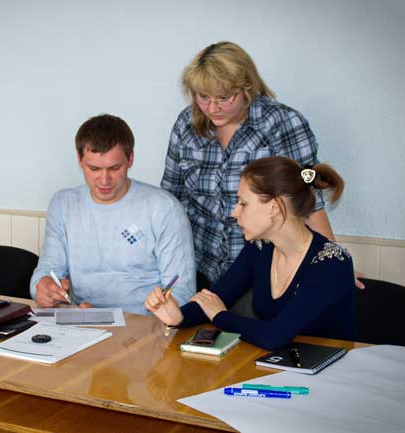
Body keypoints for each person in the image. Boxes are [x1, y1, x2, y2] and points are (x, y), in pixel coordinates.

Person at [161, 41, 363, 292]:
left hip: (263, 270)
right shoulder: (186, 124)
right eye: (203, 97)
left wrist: (332, 265)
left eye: (224, 98)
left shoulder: (281, 123)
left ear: (246, 88)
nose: (212, 108)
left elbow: (309, 202)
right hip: (200, 267)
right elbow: (172, 199)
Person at [146, 156, 355, 350]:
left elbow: (274, 336)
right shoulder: (260, 248)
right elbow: (214, 299)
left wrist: (220, 315)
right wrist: (178, 317)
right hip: (281, 364)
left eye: (243, 203)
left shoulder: (332, 263)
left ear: (274, 207)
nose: (234, 212)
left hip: (330, 371)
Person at [30, 114, 196, 314]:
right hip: (83, 319)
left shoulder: (164, 208)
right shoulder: (63, 204)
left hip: (146, 322)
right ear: (80, 160)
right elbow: (47, 272)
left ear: (130, 159)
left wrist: (161, 309)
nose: (104, 180)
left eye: (115, 168)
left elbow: (182, 290)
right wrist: (43, 289)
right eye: (94, 168)